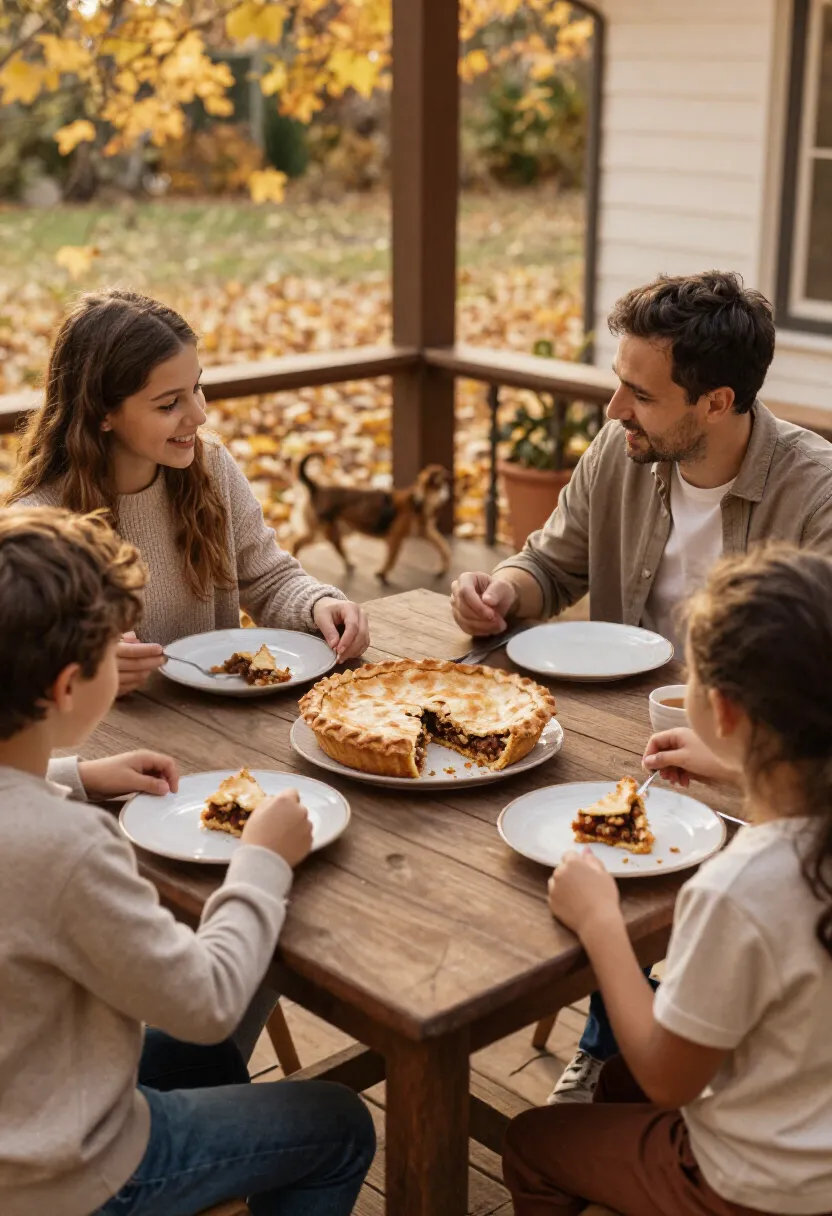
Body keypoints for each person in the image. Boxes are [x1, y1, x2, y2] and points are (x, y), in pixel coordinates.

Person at [452, 269, 832, 1102]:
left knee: (626, 882)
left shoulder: (818, 494)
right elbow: (552, 560)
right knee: (494, 853)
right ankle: (621, 1035)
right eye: (618, 384)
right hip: (617, 737)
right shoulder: (622, 451)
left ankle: (630, 1050)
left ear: (717, 402)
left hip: (758, 770)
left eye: (640, 394)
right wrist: (504, 592)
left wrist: (737, 758)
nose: (614, 410)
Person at [0, 506, 375, 1216]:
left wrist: (77, 776)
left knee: (195, 1061)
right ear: (65, 688)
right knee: (342, 1125)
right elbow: (206, 1002)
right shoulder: (69, 848)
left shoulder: (44, 812)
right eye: (116, 649)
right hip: (71, 1176)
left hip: (29, 1096)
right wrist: (262, 859)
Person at [502, 545, 832, 1216]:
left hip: (758, 1187)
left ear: (725, 711)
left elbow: (667, 1076)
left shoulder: (739, 888)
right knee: (616, 1085)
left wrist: (600, 924)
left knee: (532, 1140)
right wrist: (744, 771)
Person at [6, 288, 370, 697]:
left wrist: (317, 606)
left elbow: (268, 578)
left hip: (223, 729)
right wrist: (87, 664)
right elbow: (23, 671)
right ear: (102, 413)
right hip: (107, 749)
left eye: (196, 388)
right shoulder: (39, 524)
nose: (199, 415)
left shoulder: (209, 466)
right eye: (168, 405)